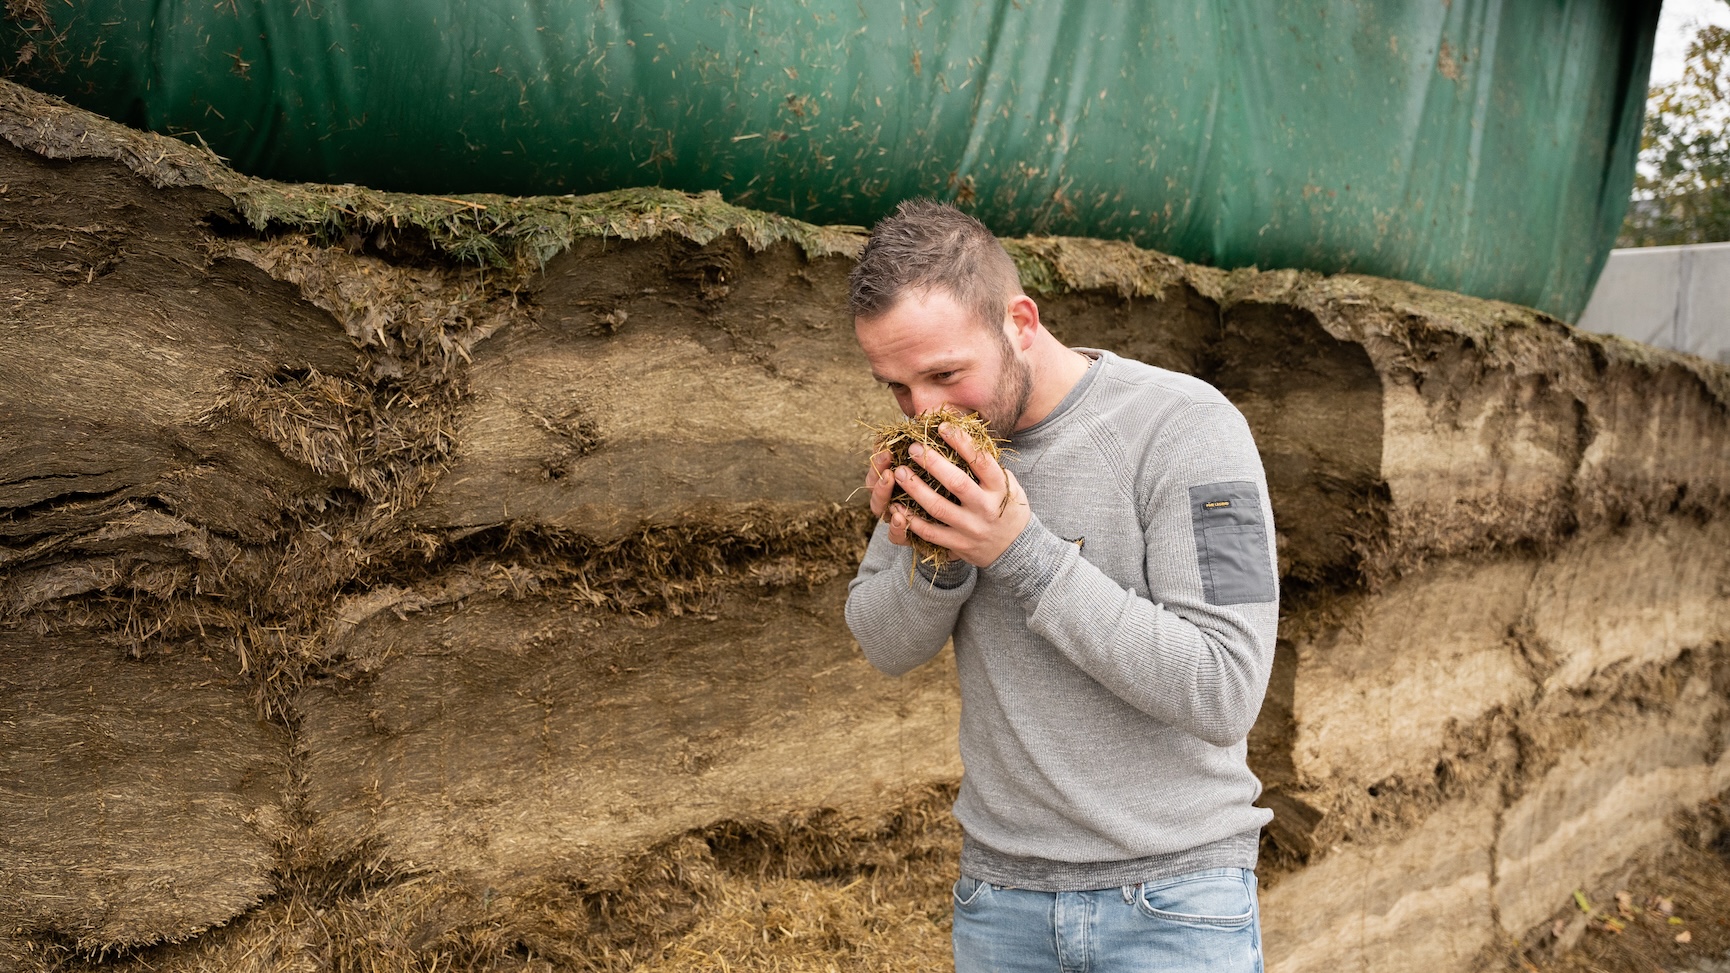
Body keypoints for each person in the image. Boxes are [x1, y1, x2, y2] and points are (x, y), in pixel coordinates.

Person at [844, 199, 1279, 973]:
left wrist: (1019, 550)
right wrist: (943, 551)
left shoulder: (1196, 429)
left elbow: (1226, 688)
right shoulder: (945, 459)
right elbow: (883, 642)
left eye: (945, 374)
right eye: (897, 388)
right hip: (1000, 905)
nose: (925, 412)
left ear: (1020, 322)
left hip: (1175, 906)